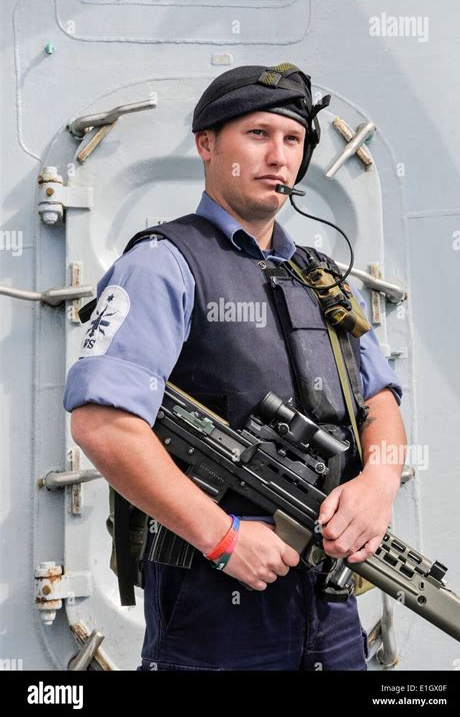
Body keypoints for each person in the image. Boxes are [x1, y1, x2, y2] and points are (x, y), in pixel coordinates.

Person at [64, 63, 407, 671]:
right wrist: (223, 538)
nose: (279, 156)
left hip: (328, 603)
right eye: (257, 134)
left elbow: (378, 401)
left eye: (293, 140)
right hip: (214, 599)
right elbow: (102, 421)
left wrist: (377, 485)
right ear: (206, 144)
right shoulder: (164, 263)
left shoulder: (321, 277)